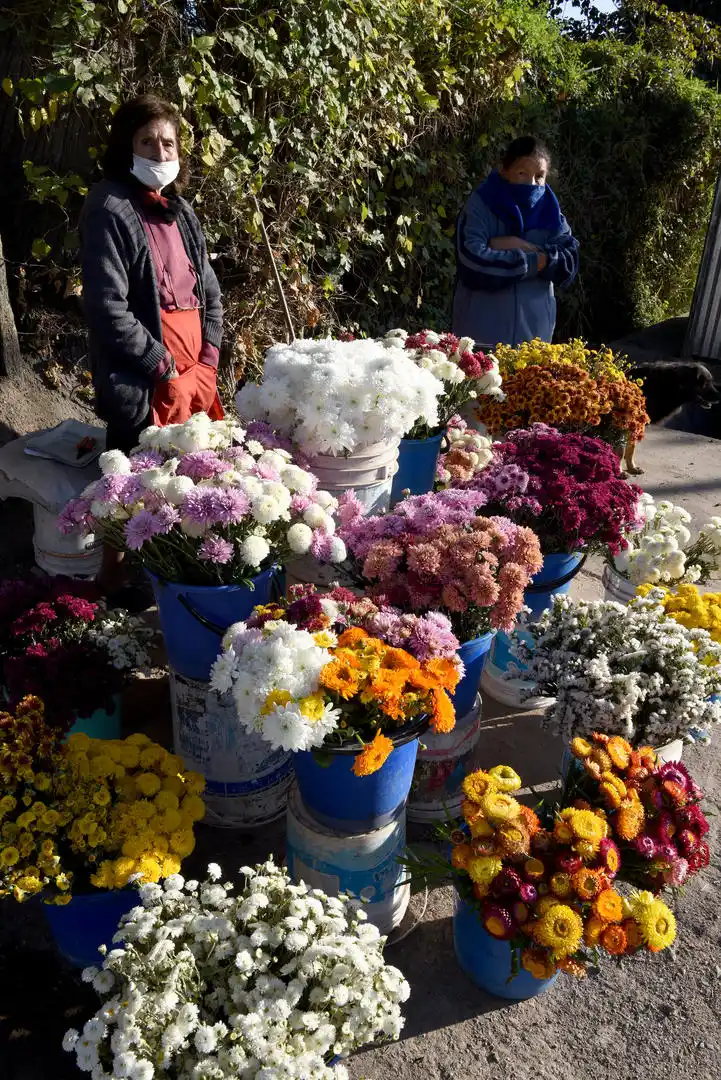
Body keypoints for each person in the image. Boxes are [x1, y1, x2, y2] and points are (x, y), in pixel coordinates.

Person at [80, 94, 224, 595]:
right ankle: (115, 577)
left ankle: (176, 567)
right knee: (132, 472)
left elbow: (209, 290)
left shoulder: (181, 212)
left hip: (193, 366)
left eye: (168, 142)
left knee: (187, 470)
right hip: (147, 370)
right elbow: (106, 305)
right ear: (127, 146)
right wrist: (161, 365)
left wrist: (207, 360)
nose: (160, 153)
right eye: (147, 141)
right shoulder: (108, 207)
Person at [453, 135, 579, 349]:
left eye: (539, 176)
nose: (531, 183)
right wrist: (536, 262)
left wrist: (522, 248)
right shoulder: (481, 205)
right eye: (522, 173)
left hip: (534, 343)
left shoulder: (551, 213)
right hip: (480, 340)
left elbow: (569, 263)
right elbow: (472, 261)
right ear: (504, 170)